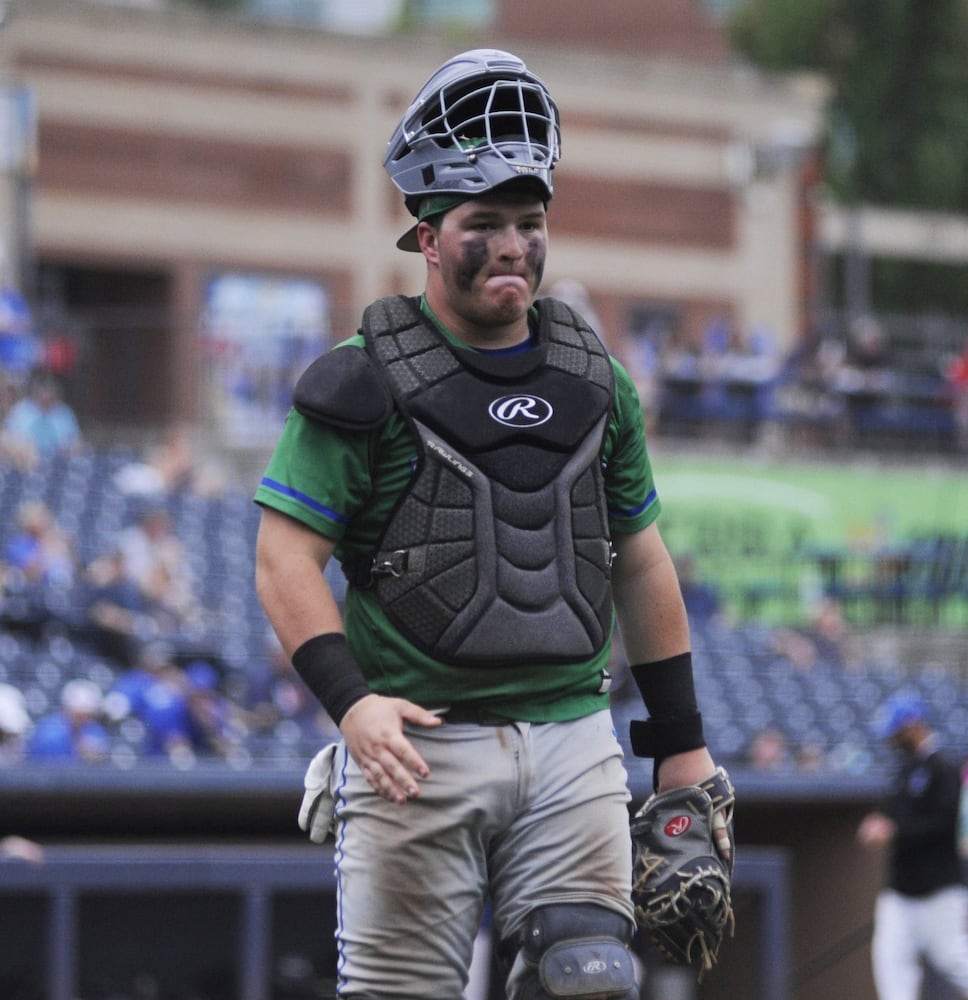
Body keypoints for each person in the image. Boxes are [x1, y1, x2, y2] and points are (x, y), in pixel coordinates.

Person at [254, 48, 726, 999]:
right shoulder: (362, 378)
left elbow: (640, 561)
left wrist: (682, 740)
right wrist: (351, 703)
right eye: (484, 224)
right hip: (414, 750)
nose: (513, 244)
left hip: (571, 733)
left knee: (587, 979)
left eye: (529, 222)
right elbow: (283, 557)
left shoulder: (597, 382)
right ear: (427, 237)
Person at [856, 690, 968, 1000]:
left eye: (897, 731)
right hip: (901, 891)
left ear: (913, 725)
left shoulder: (944, 767)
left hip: (939, 889)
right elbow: (892, 812)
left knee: (955, 960)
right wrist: (877, 823)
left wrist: (894, 831)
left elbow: (942, 823)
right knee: (891, 963)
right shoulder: (903, 769)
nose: (892, 739)